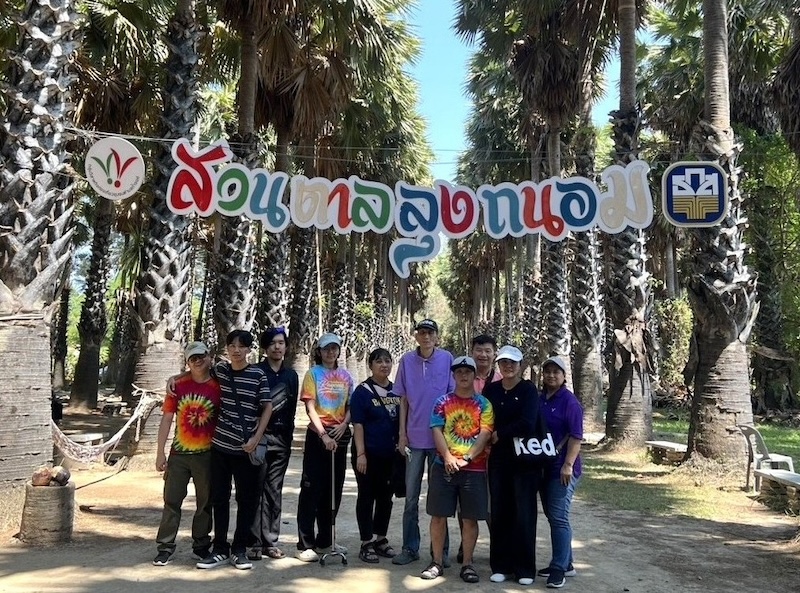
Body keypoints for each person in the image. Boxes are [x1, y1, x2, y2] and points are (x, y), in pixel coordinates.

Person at [194, 330, 272, 571]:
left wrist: (256, 439)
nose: (236, 350)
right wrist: (175, 378)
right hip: (220, 447)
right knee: (220, 498)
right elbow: (197, 371)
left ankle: (239, 549)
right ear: (226, 348)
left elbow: (267, 407)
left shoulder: (258, 374)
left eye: (241, 346)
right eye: (232, 345)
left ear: (249, 349)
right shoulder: (221, 371)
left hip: (246, 448)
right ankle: (220, 548)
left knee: (246, 500)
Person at [421, 356, 493, 583]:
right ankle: (437, 562)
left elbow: (485, 433)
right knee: (438, 516)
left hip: (474, 469)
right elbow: (436, 430)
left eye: (468, 372)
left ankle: (468, 564)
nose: (463, 376)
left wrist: (468, 458)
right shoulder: (442, 402)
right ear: (453, 375)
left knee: (470, 519)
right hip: (444, 467)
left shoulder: (484, 404)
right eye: (459, 372)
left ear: (474, 375)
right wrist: (449, 456)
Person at [392, 319, 455, 566]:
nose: (426, 337)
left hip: (440, 440)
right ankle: (410, 548)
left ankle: (442, 552)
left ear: (437, 336)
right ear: (416, 336)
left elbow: (452, 399)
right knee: (410, 499)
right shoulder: (406, 361)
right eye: (422, 332)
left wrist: (450, 438)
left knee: (440, 499)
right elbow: (403, 400)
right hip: (414, 440)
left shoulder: (447, 358)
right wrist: (402, 434)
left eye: (430, 333)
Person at [153, 341, 221, 566]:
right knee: (172, 500)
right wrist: (160, 452)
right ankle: (165, 546)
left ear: (209, 357)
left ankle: (201, 544)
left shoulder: (219, 384)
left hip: (207, 454)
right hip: (179, 454)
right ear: (187, 362)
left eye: (201, 356)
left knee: (205, 501)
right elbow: (166, 418)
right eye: (192, 358)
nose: (198, 361)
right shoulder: (177, 385)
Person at [483, 345, 541, 585]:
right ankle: (501, 565)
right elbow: (484, 417)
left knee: (524, 513)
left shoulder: (528, 390)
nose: (508, 367)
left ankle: (525, 569)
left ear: (520, 365)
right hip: (499, 461)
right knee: (500, 512)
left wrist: (500, 434)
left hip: (525, 461)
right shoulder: (492, 389)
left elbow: (527, 423)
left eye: (512, 363)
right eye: (504, 362)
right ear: (499, 365)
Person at [295, 332, 354, 562]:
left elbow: (350, 405)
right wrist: (323, 435)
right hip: (318, 435)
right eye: (326, 348)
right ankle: (306, 543)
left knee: (334, 489)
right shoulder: (313, 374)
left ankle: (326, 540)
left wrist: (344, 425)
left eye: (335, 348)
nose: (331, 352)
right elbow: (310, 408)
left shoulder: (346, 376)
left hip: (340, 434)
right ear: (319, 351)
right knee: (312, 488)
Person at [248, 327, 299, 561]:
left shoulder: (291, 376)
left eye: (281, 343)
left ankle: (270, 542)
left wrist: (287, 437)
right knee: (255, 489)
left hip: (282, 440)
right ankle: (254, 543)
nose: (278, 347)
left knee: (274, 490)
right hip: (260, 439)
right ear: (265, 347)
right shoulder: (256, 371)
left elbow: (291, 409)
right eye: (273, 343)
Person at [350, 348, 400, 563]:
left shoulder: (397, 391)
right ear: (370, 365)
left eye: (387, 361)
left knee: (385, 498)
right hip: (367, 455)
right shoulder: (362, 392)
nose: (384, 365)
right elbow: (358, 424)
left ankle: (381, 539)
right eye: (378, 361)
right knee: (366, 496)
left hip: (390, 456)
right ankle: (366, 542)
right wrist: (361, 454)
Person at [537, 356, 583, 589]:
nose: (551, 376)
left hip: (562, 470)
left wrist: (567, 464)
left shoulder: (569, 402)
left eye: (556, 372)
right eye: (548, 372)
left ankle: (558, 568)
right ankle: (568, 564)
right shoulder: (541, 399)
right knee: (555, 516)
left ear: (564, 376)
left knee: (558, 517)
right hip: (544, 467)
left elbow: (576, 436)